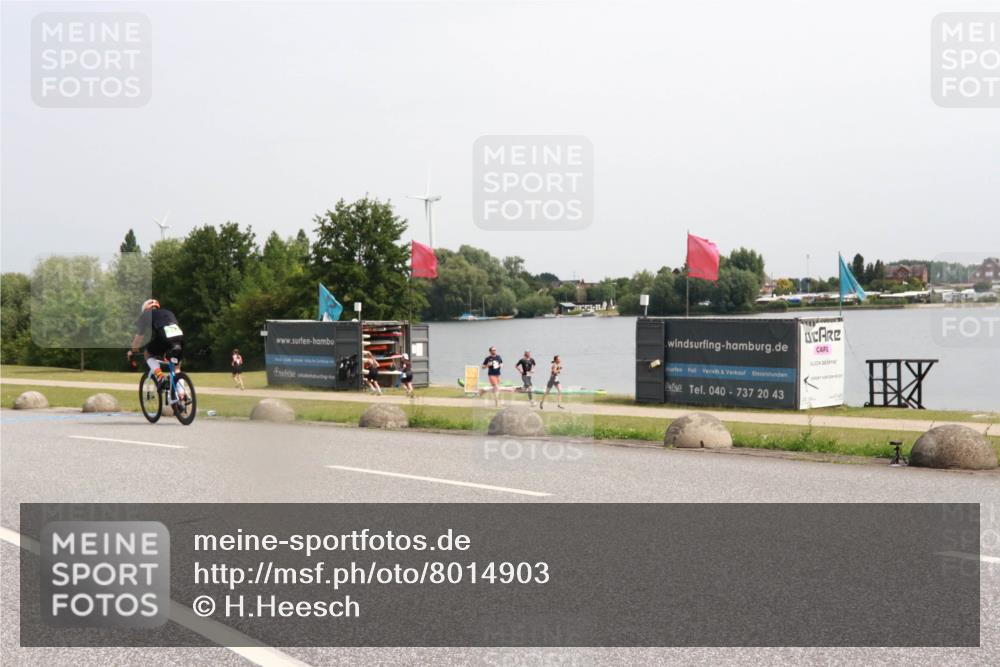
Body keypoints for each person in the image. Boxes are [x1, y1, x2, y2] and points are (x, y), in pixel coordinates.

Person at [127, 299, 184, 392]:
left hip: (165, 338)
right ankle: (182, 396)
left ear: (145, 309)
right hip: (180, 338)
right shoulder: (168, 312)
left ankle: (160, 377)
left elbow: (139, 338)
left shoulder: (145, 315)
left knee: (147, 354)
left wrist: (133, 351)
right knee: (177, 368)